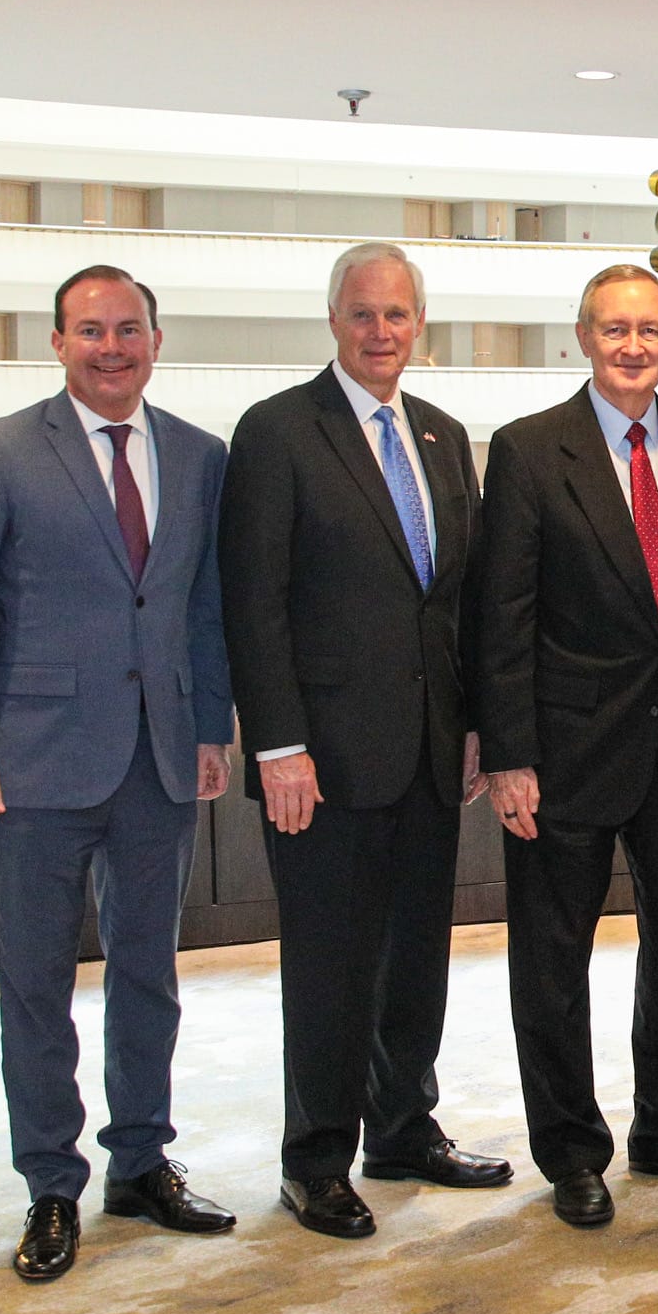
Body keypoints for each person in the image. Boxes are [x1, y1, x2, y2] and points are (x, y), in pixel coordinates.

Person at [0, 265, 238, 1282]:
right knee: (37, 982)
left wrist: (211, 725)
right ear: (56, 343)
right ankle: (50, 1182)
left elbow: (202, 608)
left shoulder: (197, 456)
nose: (112, 347)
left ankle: (140, 1160)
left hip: (160, 759)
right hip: (37, 761)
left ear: (156, 337)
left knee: (150, 974)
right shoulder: (0, 450)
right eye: (91, 330)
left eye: (129, 329)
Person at [219, 242, 505, 1240]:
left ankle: (401, 1125)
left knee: (417, 955)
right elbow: (251, 604)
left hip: (429, 751)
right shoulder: (278, 432)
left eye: (397, 315)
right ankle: (316, 1158)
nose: (380, 331)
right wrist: (277, 745)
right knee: (330, 963)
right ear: (333, 321)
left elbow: (457, 603)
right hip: (322, 761)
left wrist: (474, 723)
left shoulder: (440, 434)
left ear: (417, 324)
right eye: (362, 314)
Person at [471, 267, 658, 1227]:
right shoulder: (525, 451)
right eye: (613, 329)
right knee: (552, 961)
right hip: (560, 751)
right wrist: (509, 754)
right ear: (583, 339)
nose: (632, 346)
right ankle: (570, 1151)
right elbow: (500, 616)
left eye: (649, 330)